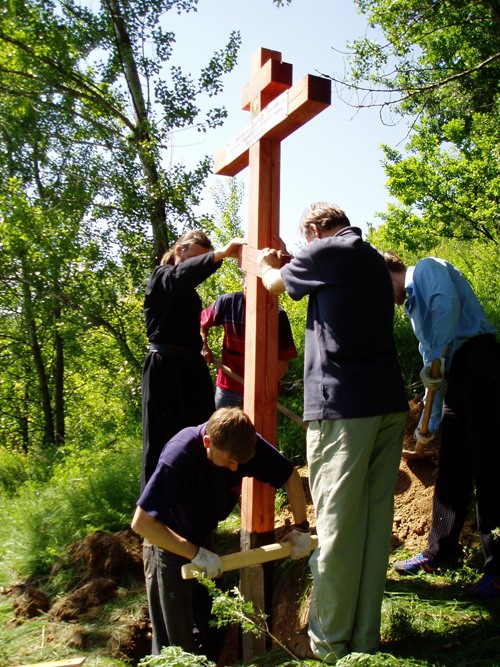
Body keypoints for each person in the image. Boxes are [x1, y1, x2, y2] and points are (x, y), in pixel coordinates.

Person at [258, 202, 408, 663]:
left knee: (340, 527)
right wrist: (295, 258)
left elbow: (271, 284)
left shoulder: (323, 252)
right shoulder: (369, 256)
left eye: (305, 238)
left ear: (313, 229)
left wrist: (266, 262)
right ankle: (363, 640)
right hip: (387, 403)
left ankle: (327, 644)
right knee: (373, 522)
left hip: (342, 408)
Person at [131, 406, 311, 658]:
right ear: (208, 442)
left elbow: (290, 475)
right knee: (175, 647)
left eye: (241, 463)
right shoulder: (178, 457)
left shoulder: (241, 445)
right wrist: (193, 553)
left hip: (203, 541)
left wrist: (301, 529)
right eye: (228, 461)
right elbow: (142, 523)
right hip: (166, 546)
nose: (236, 469)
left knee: (215, 624)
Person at [384, 252, 500, 598]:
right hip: (457, 376)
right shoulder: (411, 306)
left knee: (489, 468)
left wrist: (436, 358)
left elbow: (446, 309)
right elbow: (431, 373)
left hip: (482, 366)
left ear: (387, 270)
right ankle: (440, 553)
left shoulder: (427, 269)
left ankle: (498, 568)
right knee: (452, 469)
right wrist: (426, 427)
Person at [141, 230, 245, 491]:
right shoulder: (161, 278)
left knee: (202, 437)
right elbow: (180, 277)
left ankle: (197, 512)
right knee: (160, 441)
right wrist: (220, 254)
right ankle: (154, 518)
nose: (199, 265)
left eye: (204, 258)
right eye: (196, 258)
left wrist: (203, 347)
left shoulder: (190, 295)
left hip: (192, 371)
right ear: (179, 251)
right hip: (164, 370)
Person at [200, 278, 298, 409]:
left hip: (262, 392)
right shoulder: (227, 303)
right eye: (251, 287)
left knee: (258, 430)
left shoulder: (278, 316)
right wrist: (204, 346)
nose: (256, 293)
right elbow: (201, 322)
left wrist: (262, 388)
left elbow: (284, 360)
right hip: (228, 387)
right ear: (244, 284)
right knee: (221, 428)